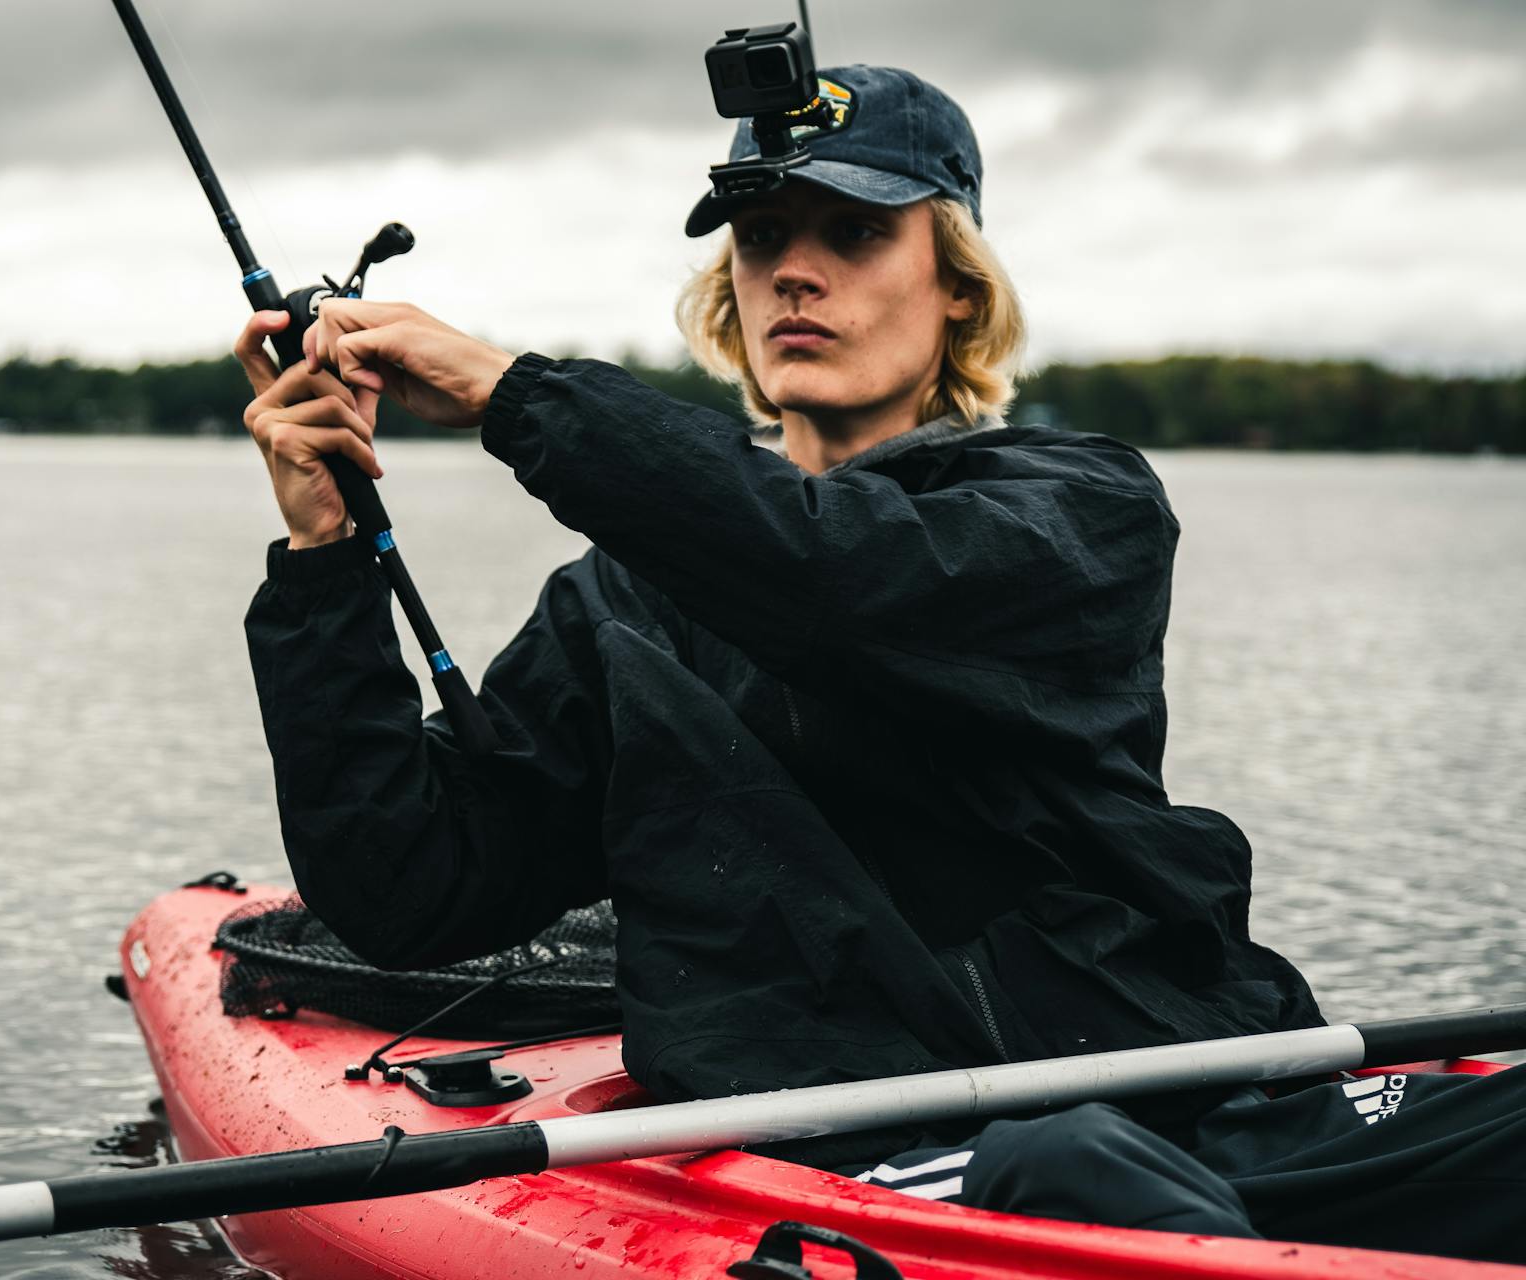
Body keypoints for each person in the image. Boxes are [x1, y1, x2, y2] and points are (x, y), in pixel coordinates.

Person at [233, 65, 1526, 1263]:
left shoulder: (1083, 506)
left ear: (955, 282)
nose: (796, 274)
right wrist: (326, 561)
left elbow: (834, 582)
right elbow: (412, 888)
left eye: (853, 236)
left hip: (1200, 1081)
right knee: (1069, 1168)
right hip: (889, 1155)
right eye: (761, 242)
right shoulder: (619, 602)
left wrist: (521, 395)